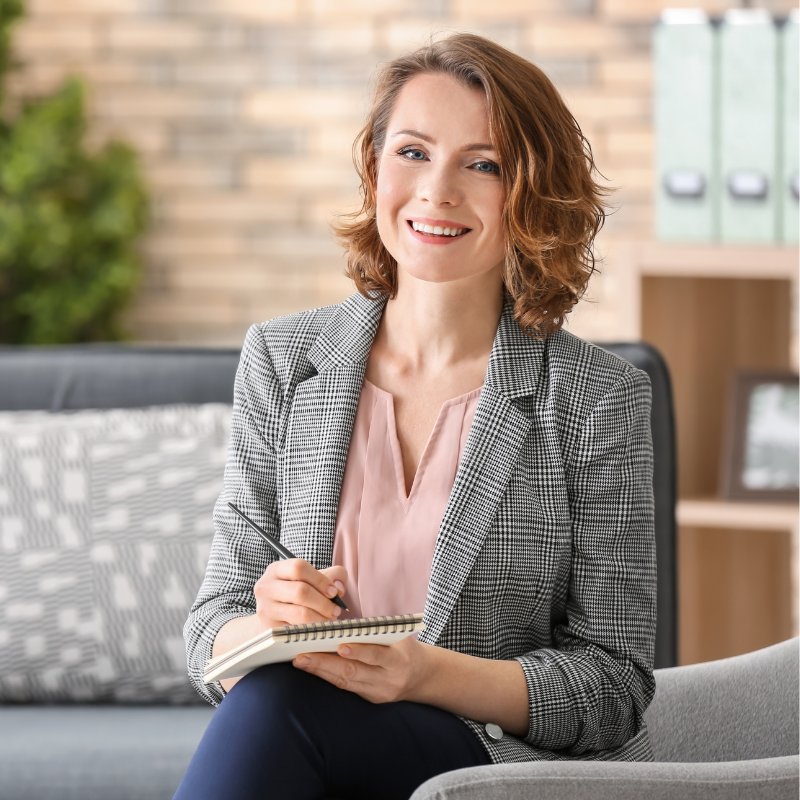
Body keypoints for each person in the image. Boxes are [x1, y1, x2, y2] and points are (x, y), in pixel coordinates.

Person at [174, 32, 656, 800]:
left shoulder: (598, 398)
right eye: (412, 153)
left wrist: (427, 674)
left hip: (476, 759)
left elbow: (615, 687)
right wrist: (263, 623)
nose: (437, 190)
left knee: (278, 711)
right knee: (274, 698)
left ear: (531, 191)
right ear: (373, 167)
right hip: (296, 727)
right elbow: (210, 630)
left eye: (483, 164)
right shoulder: (282, 361)